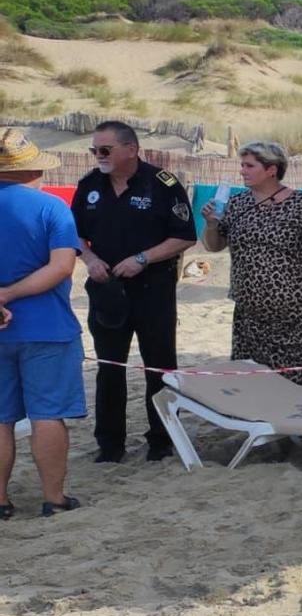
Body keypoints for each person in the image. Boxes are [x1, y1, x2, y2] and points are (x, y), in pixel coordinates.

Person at [72, 120, 197, 462]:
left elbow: (185, 235)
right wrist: (90, 258)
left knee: (159, 366)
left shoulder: (162, 184)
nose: (98, 156)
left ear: (131, 149)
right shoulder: (89, 186)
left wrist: (144, 258)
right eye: (94, 150)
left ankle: (162, 440)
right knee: (110, 367)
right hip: (107, 289)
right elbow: (74, 235)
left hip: (152, 288)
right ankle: (110, 445)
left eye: (105, 149)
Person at [200, 141, 302, 398]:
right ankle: (276, 431)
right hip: (252, 313)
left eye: (249, 166)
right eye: (242, 165)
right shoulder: (237, 204)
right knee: (261, 375)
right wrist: (212, 225)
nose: (242, 171)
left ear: (271, 169)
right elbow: (214, 247)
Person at [0, 128, 85, 518]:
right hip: (47, 327)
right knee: (47, 414)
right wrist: (9, 294)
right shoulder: (51, 208)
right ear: (31, 170)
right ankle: (54, 498)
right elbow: (62, 266)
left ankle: (0, 501)